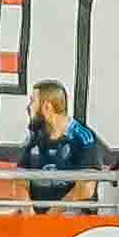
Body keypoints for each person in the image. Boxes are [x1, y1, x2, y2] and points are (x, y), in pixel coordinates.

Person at [20, 80, 103, 210]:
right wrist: (28, 210)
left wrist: (51, 215)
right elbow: (20, 178)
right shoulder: (35, 136)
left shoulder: (82, 137)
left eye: (32, 101)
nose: (28, 107)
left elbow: (86, 189)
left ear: (46, 107)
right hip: (37, 218)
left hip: (72, 218)